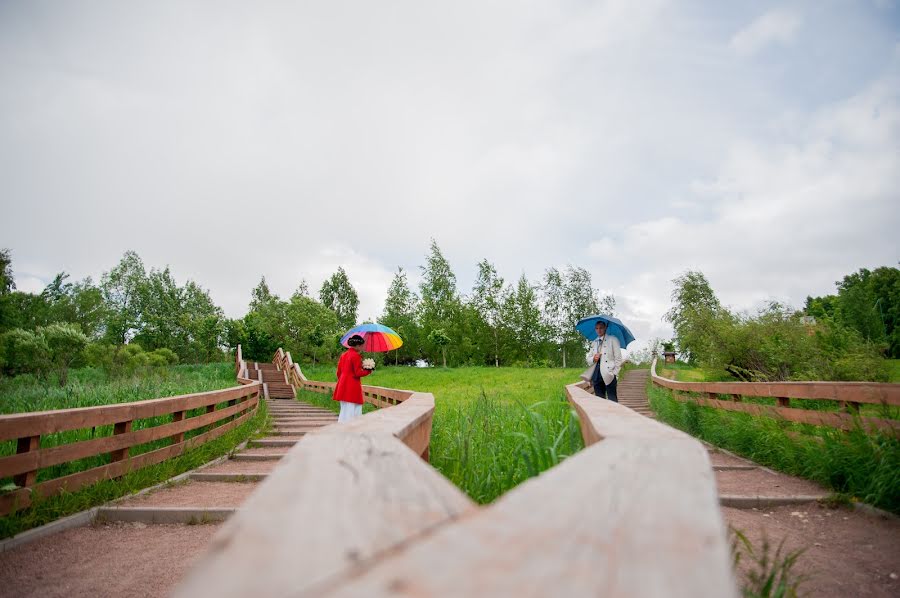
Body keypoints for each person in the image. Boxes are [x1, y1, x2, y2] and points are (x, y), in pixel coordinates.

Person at [333, 334, 372, 422]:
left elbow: (338, 372)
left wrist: (343, 380)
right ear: (357, 345)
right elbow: (357, 373)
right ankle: (351, 429)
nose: (362, 347)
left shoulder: (344, 355)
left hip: (342, 385)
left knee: (344, 409)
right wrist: (368, 371)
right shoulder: (356, 356)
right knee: (353, 408)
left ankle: (342, 426)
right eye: (362, 345)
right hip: (352, 386)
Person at [586, 321, 624, 402]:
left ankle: (614, 414)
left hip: (609, 374)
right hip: (596, 375)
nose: (598, 330)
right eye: (596, 328)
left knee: (612, 400)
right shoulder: (594, 342)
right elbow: (588, 359)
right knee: (599, 401)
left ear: (605, 328)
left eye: (601, 328)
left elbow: (618, 358)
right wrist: (594, 358)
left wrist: (614, 373)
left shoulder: (613, 339)